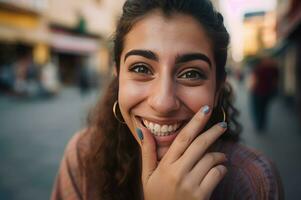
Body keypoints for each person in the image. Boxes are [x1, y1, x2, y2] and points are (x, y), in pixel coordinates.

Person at [51, 0, 283, 199]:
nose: (163, 103)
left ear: (217, 89)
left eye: (191, 74)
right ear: (118, 75)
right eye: (141, 68)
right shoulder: (83, 156)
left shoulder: (254, 182)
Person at [247, 56, 279, 131]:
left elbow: (255, 80)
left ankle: (258, 124)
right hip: (267, 92)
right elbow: (275, 81)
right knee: (264, 109)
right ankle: (262, 124)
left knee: (256, 109)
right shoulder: (274, 69)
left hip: (258, 92)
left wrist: (251, 88)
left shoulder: (259, 69)